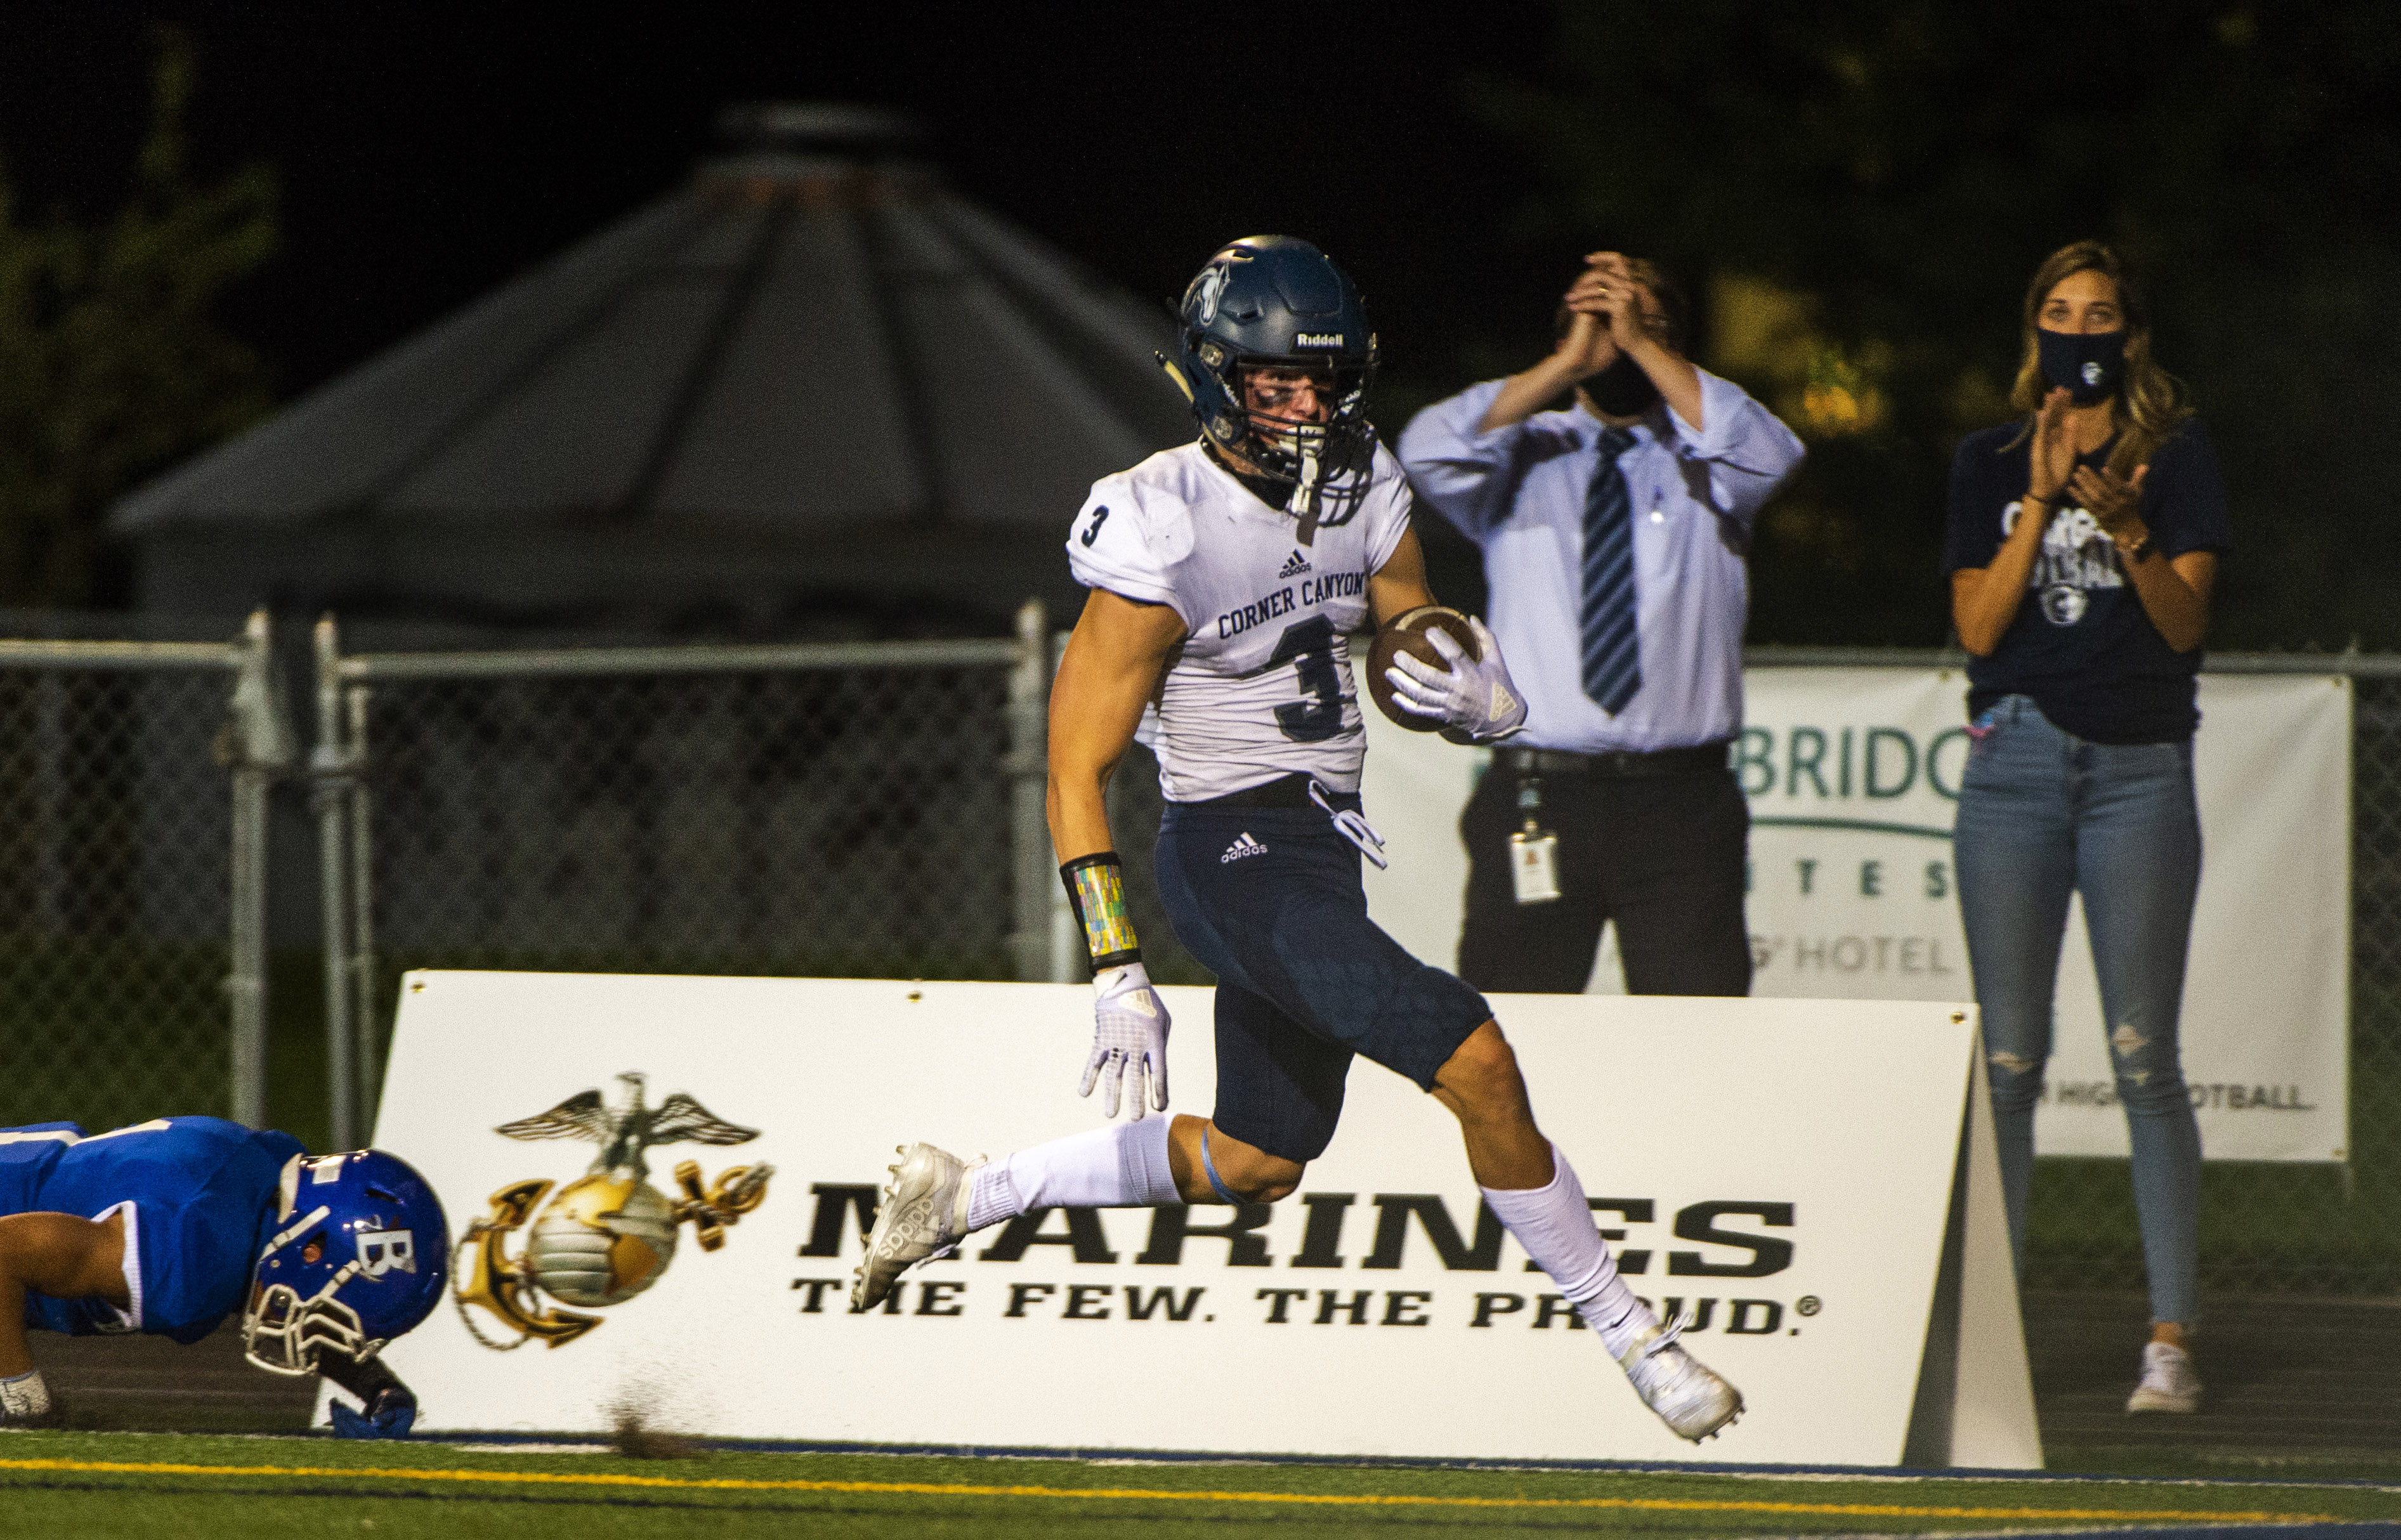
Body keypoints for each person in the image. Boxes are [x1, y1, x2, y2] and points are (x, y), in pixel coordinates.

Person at [850, 235, 1743, 1444]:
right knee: (1475, 1058)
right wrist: (1119, 967)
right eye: (1276, 381)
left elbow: (1394, 626)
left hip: (1320, 847)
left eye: (1323, 380)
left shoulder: (1360, 471)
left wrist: (1451, 669)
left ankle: (970, 1191)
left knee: (1260, 1159)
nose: (1306, 403)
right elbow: (1075, 765)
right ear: (1217, 377)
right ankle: (1636, 1337)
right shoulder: (1162, 521)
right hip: (1226, 847)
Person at [1945, 240, 2228, 1416]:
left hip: (2137, 772)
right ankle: (1991, 1338)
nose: (2079, 330)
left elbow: (2181, 626)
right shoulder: (1988, 459)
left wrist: (2129, 526)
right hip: (2014, 765)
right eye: (2059, 312)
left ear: (2131, 335)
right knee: (2009, 1061)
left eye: (2099, 313)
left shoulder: (2180, 457)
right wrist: (2048, 498)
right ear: (2035, 331)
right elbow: (1979, 626)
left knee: (2141, 1057)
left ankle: (2170, 1336)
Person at [1398, 253, 1803, 996]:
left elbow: (1773, 453)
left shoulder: (1709, 466)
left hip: (1680, 804)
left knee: (1697, 1037)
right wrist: (1566, 365)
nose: (1616, 342)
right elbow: (1426, 450)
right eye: (1599, 324)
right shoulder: (1521, 451)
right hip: (1537, 796)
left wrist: (1644, 345)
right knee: (1517, 1035)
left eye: (1641, 326)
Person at [0, 1114, 447, 1436]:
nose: (325, 1324)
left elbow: (287, 1289)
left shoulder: (263, 1180)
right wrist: (26, 1406)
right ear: (311, 1250)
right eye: (339, 1310)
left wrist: (375, 1385)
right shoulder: (186, 1246)